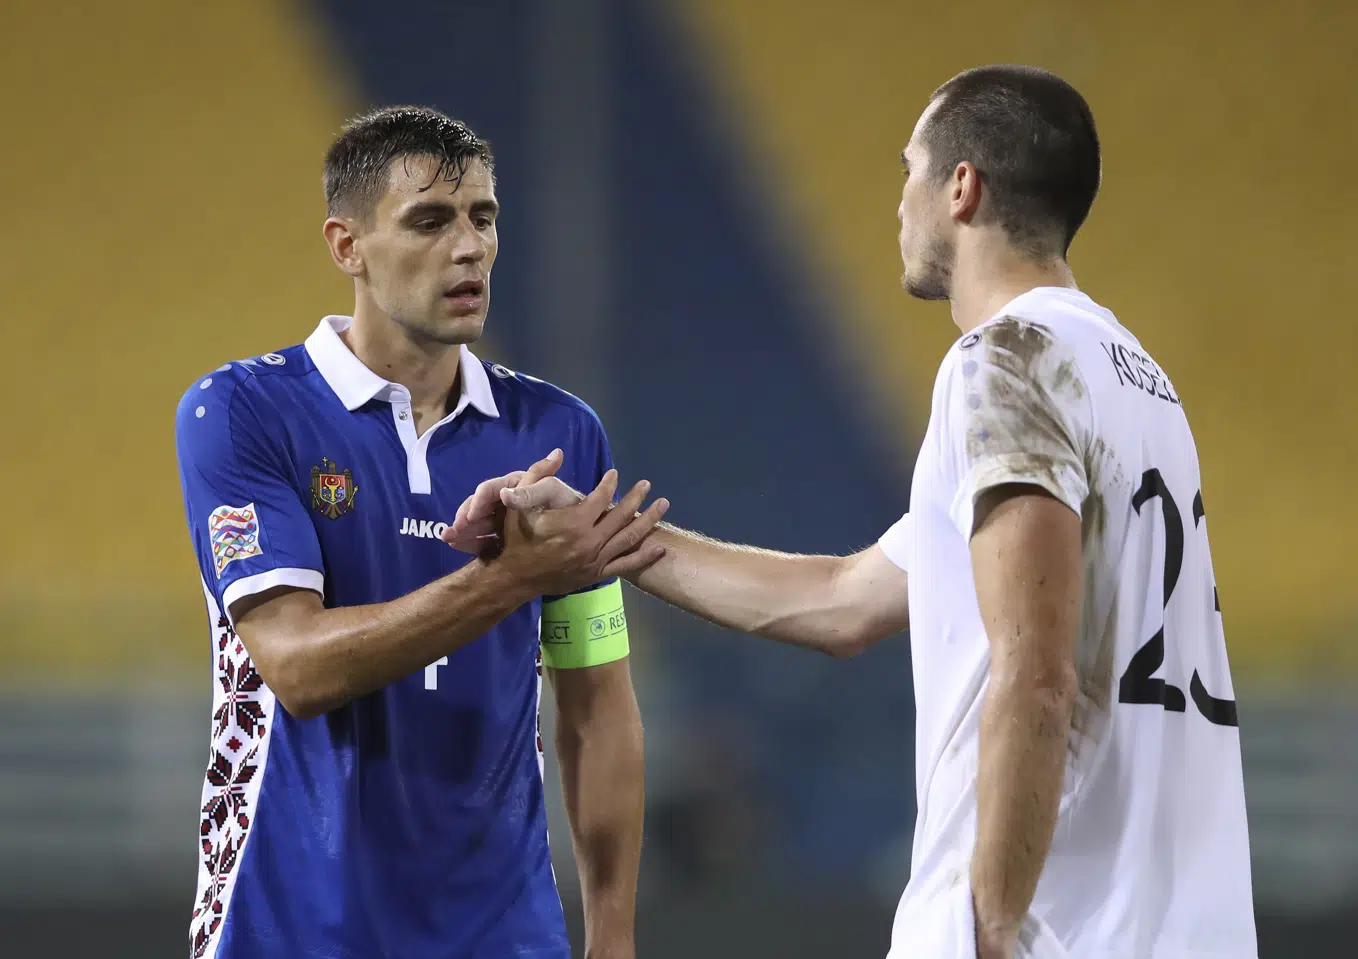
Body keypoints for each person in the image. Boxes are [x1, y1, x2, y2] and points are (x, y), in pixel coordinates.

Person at [450, 65, 1258, 959]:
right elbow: (844, 600)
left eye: (910, 168)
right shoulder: (1132, 378)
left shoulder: (1004, 363)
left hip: (1061, 929)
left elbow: (1034, 671)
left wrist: (988, 928)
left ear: (962, 187)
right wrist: (601, 538)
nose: (900, 200)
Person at [173, 106, 668, 959]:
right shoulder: (243, 412)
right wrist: (508, 578)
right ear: (347, 246)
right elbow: (299, 666)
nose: (469, 246)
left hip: (504, 935)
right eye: (430, 221)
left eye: (483, 217)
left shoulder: (558, 431)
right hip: (290, 927)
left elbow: (597, 705)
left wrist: (613, 935)